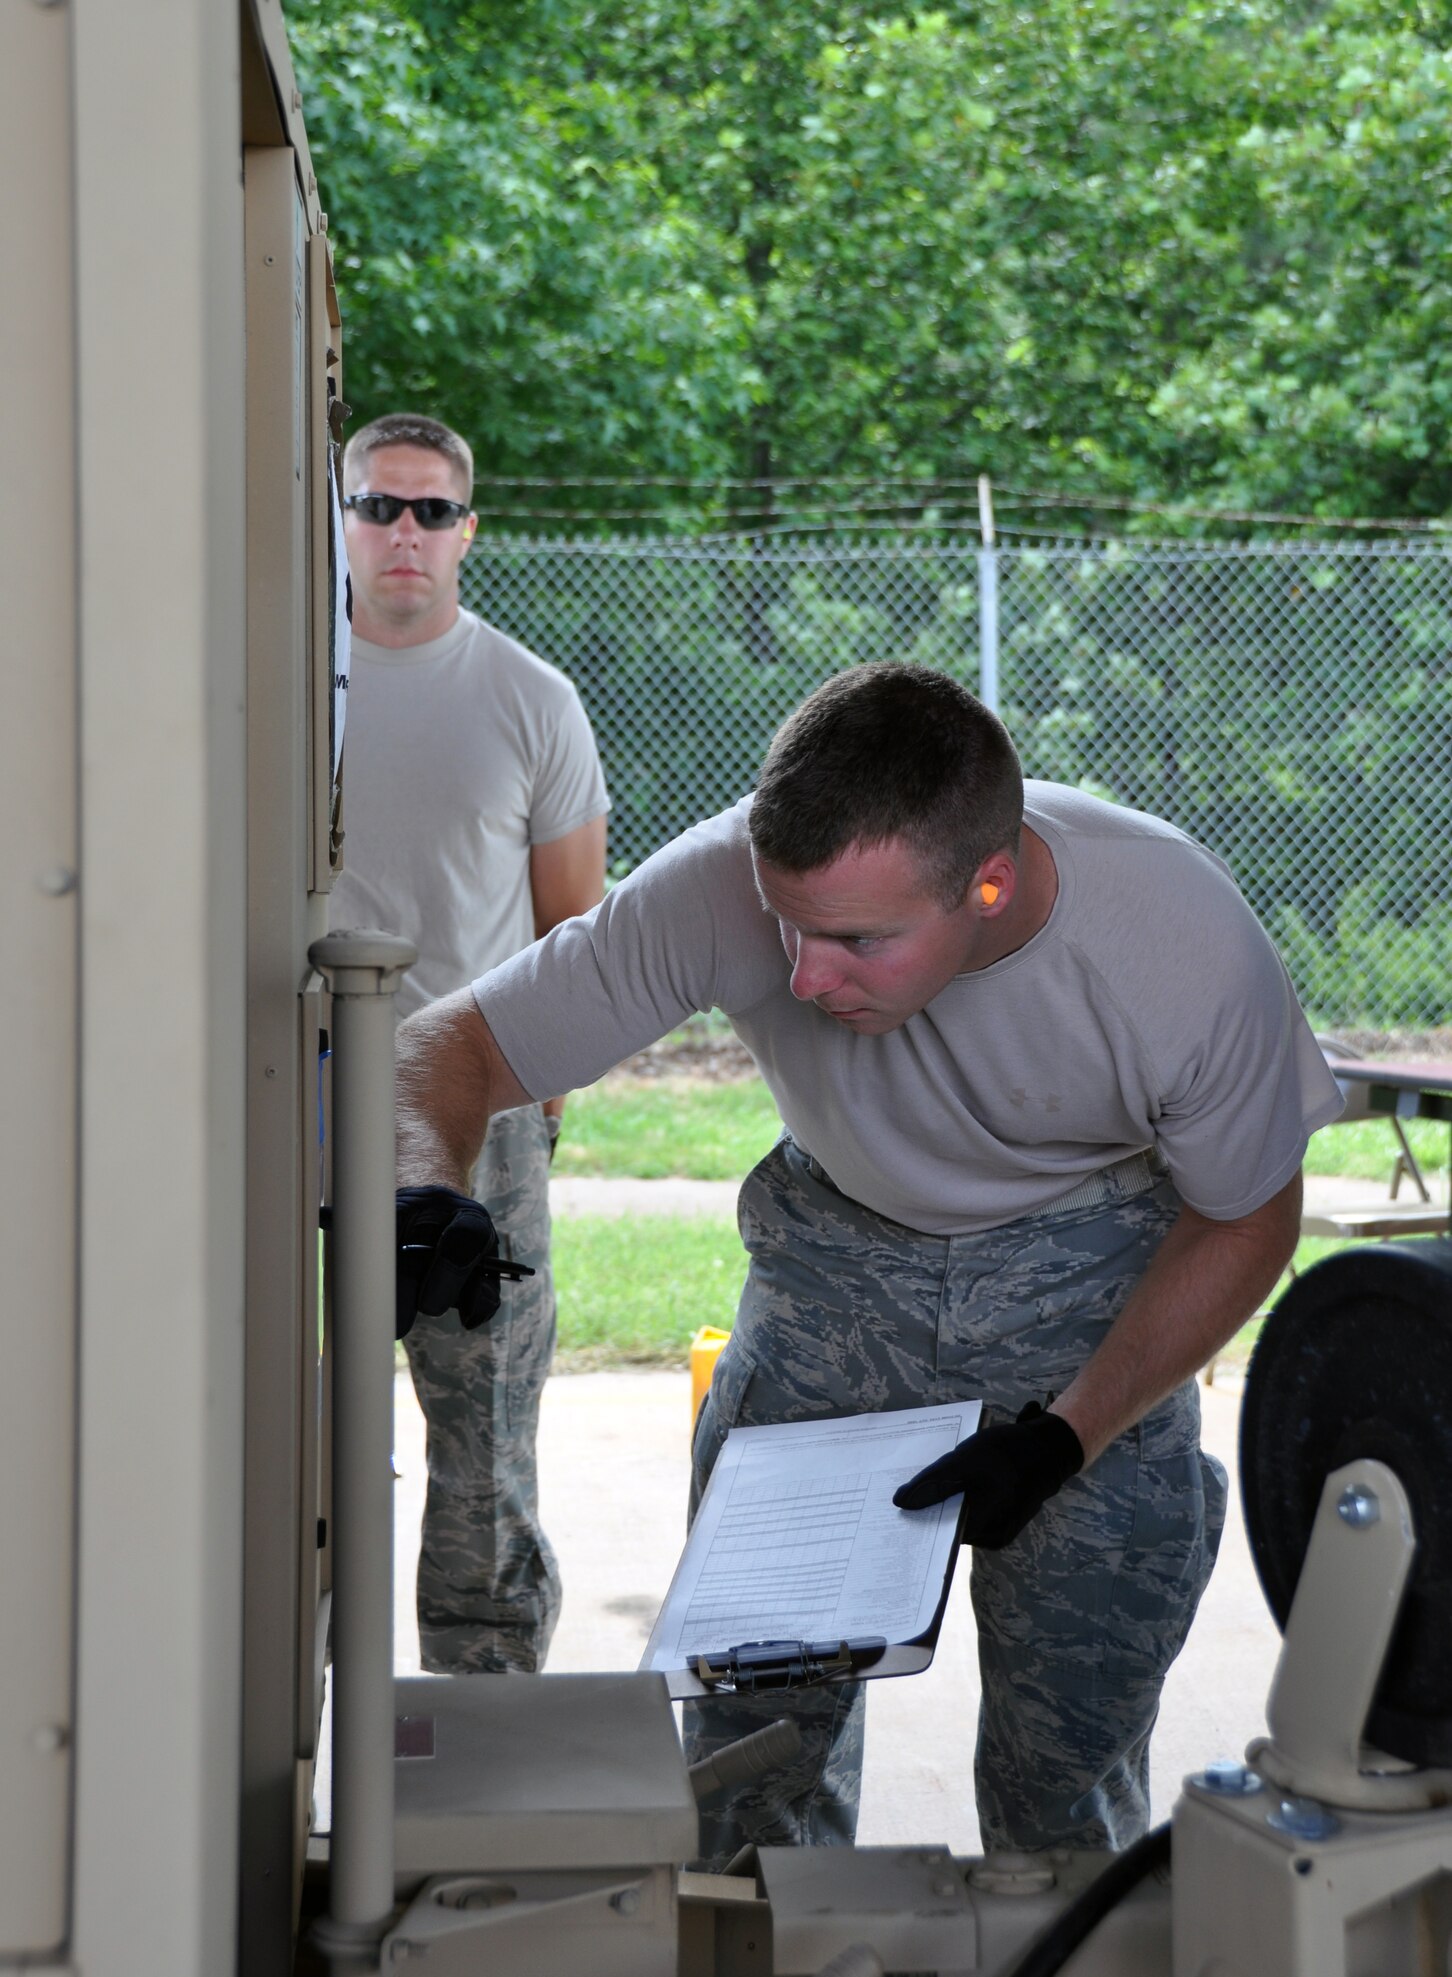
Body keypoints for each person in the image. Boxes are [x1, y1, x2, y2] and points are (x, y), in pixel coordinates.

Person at [391, 661, 1342, 1853]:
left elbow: (1249, 1213)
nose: (800, 973)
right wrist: (422, 1186)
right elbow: (455, 1041)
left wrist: (1070, 1431)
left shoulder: (1175, 941)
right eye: (787, 923)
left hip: (1096, 1300)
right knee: (751, 1748)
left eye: (854, 940)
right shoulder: (723, 882)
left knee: (1068, 1766)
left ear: (987, 884)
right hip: (836, 1279)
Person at [332, 410, 608, 1673]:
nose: (404, 532)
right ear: (339, 518)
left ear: (468, 533)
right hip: (293, 1101)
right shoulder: (274, 685)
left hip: (471, 1115)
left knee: (485, 1437)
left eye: (431, 511)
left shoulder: (531, 701)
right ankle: (278, 1742)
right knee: (288, 1436)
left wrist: (531, 1115)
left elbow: (573, 936)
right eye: (380, 505)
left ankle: (480, 1728)